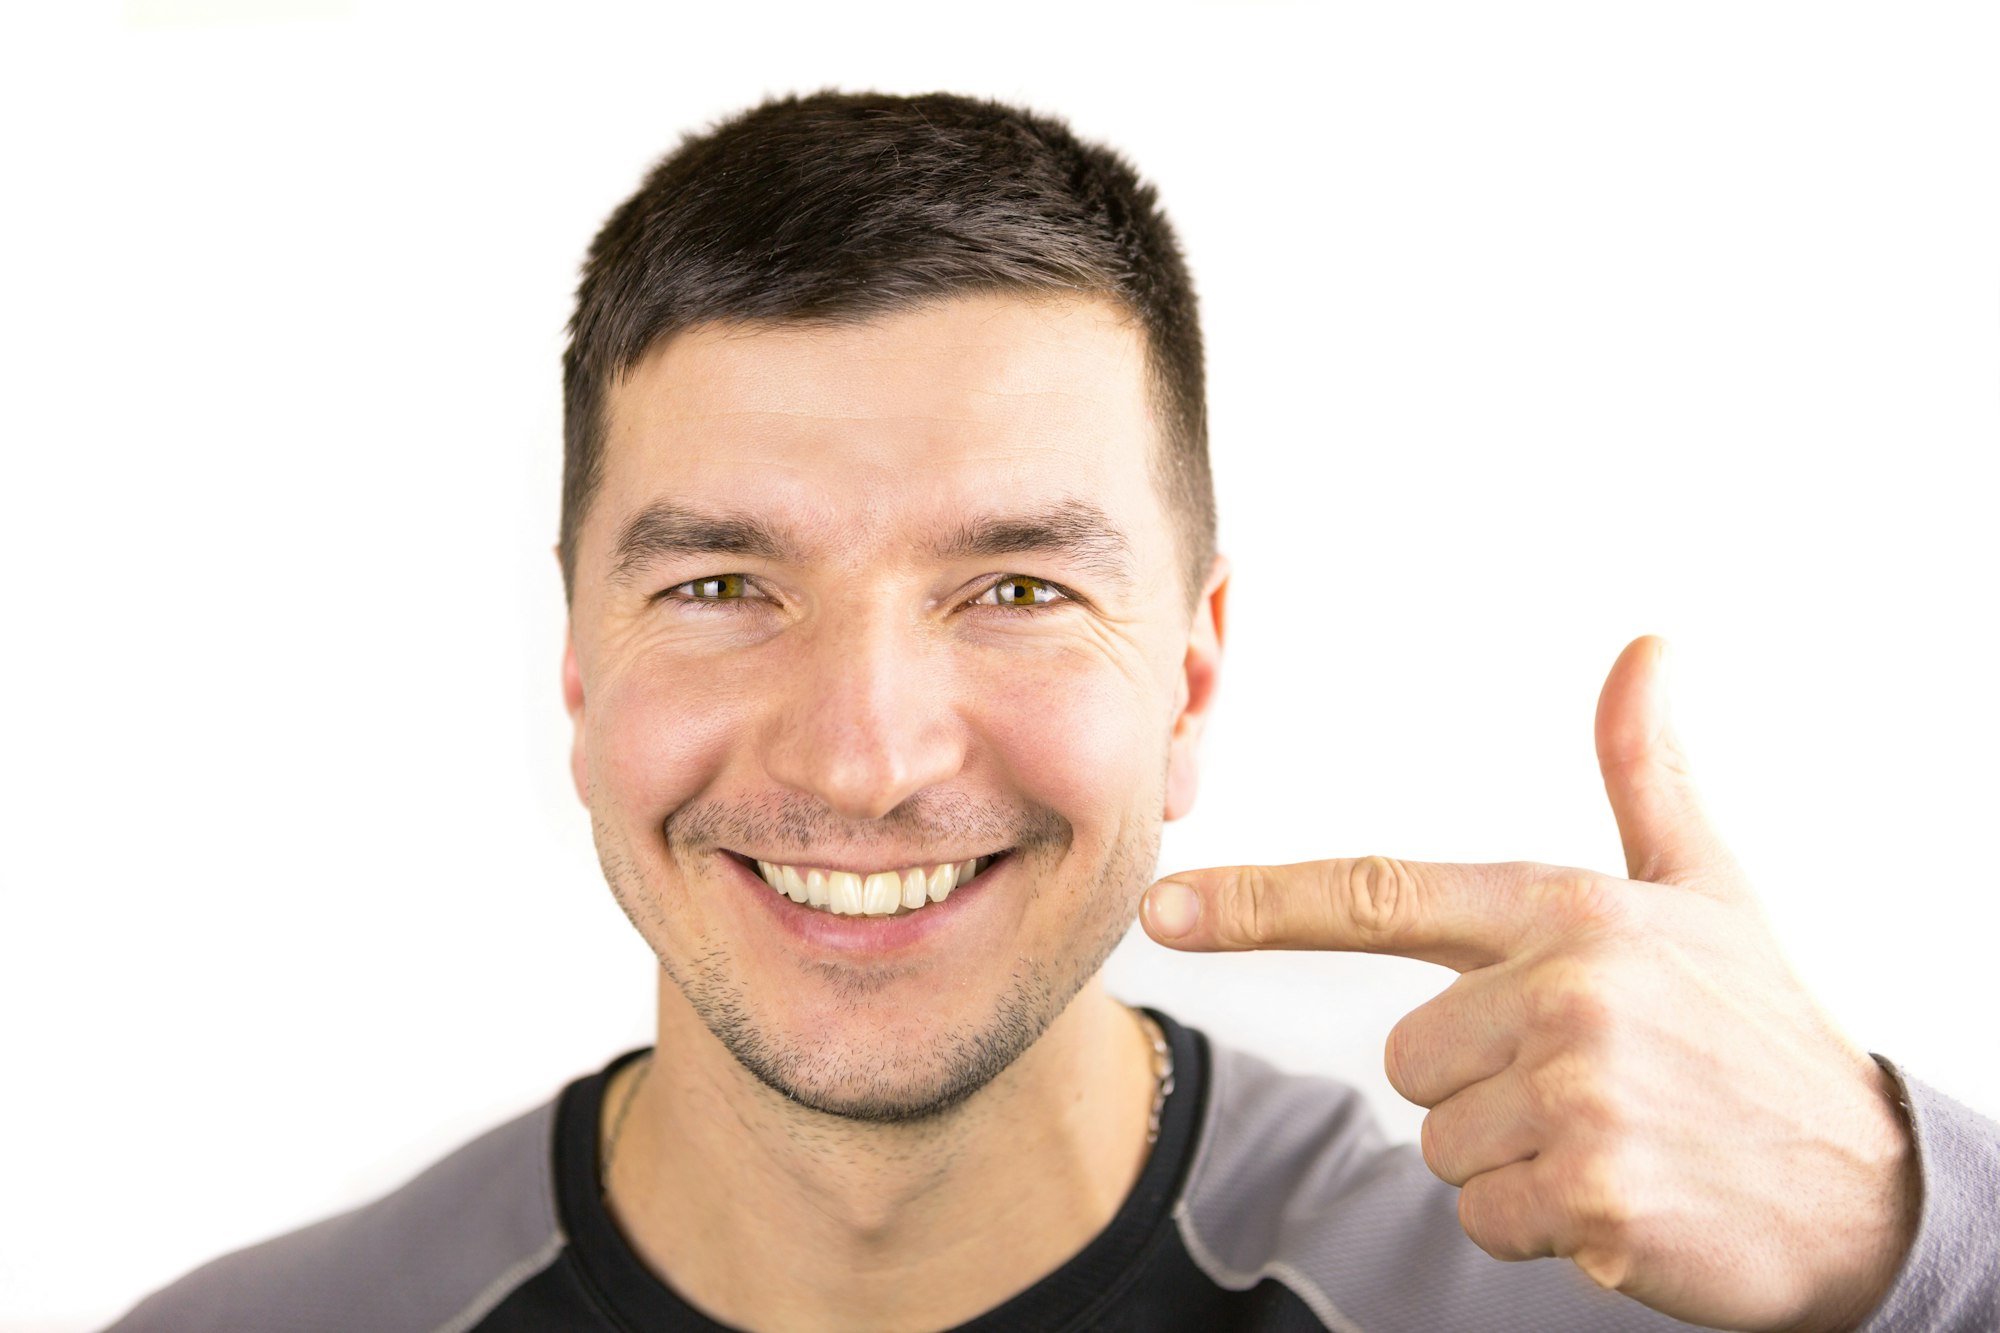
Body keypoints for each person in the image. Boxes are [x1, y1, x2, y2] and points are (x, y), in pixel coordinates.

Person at [105, 90, 1998, 1333]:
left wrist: (1906, 1230)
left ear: (1188, 675)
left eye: (1016, 589)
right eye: (720, 586)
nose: (863, 751)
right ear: (581, 663)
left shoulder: (1598, 1302)